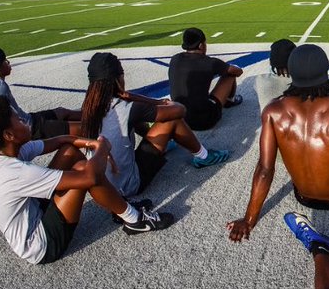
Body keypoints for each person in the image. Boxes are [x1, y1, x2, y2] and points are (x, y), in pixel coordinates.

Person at [0, 95, 173, 265]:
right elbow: (90, 176)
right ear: (9, 135)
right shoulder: (16, 172)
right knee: (84, 170)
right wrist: (103, 146)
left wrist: (92, 143)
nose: (24, 120)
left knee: (69, 153)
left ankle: (119, 207)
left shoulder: (6, 155)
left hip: (34, 211)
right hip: (41, 245)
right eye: (18, 119)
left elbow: (62, 141)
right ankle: (135, 220)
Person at [227, 44, 329, 241]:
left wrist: (249, 219)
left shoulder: (273, 110)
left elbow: (264, 169)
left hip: (302, 196)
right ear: (325, 70)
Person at [82, 52, 229, 204]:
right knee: (171, 120)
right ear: (118, 79)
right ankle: (203, 156)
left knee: (133, 123)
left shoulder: (88, 109)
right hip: (128, 186)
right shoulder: (126, 108)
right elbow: (179, 110)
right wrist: (151, 100)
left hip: (103, 186)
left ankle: (166, 144)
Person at [167, 27, 244, 130]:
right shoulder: (210, 62)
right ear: (200, 45)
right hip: (204, 120)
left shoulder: (175, 59)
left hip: (180, 117)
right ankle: (230, 101)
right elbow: (237, 72)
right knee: (229, 74)